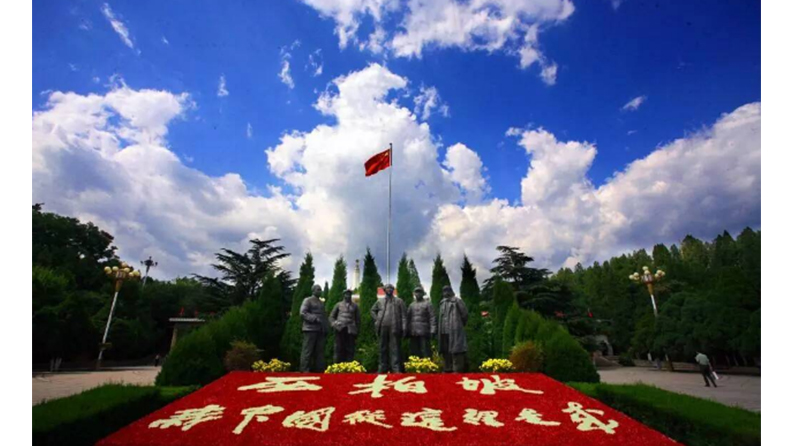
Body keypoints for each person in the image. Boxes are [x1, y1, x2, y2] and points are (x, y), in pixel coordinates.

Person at [370, 284, 407, 372]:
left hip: (395, 326)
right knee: (382, 348)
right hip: (383, 326)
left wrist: (404, 327)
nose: (389, 289)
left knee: (395, 348)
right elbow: (372, 310)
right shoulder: (380, 301)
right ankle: (382, 367)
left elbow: (404, 316)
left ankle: (396, 368)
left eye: (391, 288)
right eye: (387, 288)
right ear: (384, 290)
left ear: (393, 290)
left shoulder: (399, 301)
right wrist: (377, 319)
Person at [438, 285, 468, 372]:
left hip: (455, 330)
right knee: (445, 351)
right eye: (444, 291)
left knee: (456, 351)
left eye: (447, 290)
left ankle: (457, 370)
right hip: (443, 331)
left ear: (451, 291)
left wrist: (459, 325)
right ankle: (447, 368)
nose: (445, 292)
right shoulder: (442, 302)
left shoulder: (457, 301)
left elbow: (465, 314)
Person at [300, 284, 329, 372]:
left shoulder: (321, 302)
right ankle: (304, 369)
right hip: (310, 329)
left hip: (320, 329)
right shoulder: (308, 300)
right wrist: (314, 318)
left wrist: (325, 328)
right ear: (313, 291)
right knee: (308, 350)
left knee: (319, 351)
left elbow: (323, 316)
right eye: (318, 289)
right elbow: (303, 313)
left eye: (320, 289)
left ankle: (319, 370)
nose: (320, 291)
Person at [329, 289, 361, 363]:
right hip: (340, 329)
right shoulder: (338, 305)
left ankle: (349, 366)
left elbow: (358, 319)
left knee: (350, 349)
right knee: (338, 348)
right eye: (346, 294)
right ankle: (337, 366)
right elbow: (331, 317)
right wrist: (335, 324)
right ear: (343, 295)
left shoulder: (355, 306)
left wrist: (356, 329)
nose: (348, 296)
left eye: (349, 294)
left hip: (350, 330)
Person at [406, 286, 436, 358]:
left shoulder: (428, 304)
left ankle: (427, 363)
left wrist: (433, 329)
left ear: (423, 293)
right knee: (414, 351)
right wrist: (407, 330)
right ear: (414, 294)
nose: (418, 294)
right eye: (416, 292)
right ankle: (415, 364)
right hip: (413, 332)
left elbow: (432, 317)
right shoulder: (411, 305)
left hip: (424, 331)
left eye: (419, 292)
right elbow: (407, 318)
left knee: (426, 350)